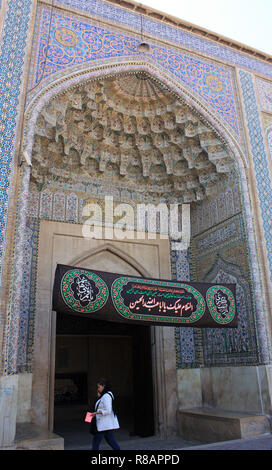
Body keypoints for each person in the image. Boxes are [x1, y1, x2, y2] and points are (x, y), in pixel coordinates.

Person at [90, 378, 120, 450]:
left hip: (103, 424)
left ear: (103, 386)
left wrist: (97, 412)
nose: (98, 389)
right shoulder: (105, 395)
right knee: (110, 441)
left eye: (99, 387)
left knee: (96, 441)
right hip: (106, 424)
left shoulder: (106, 396)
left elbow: (108, 410)